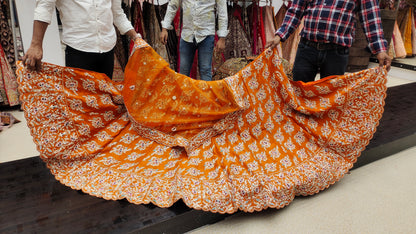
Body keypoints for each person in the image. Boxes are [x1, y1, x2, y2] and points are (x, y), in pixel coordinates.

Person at [266, 0, 392, 82]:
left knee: (330, 99)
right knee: (298, 93)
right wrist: (279, 36)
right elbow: (295, 11)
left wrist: (380, 50)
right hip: (307, 48)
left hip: (336, 53)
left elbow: (370, 18)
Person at [22, 0, 140, 79]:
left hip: (107, 49)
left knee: (104, 104)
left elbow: (117, 13)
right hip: (78, 51)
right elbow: (44, 8)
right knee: (80, 107)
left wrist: (136, 37)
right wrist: (36, 45)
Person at [159, 0, 229, 81]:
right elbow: (172, 5)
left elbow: (222, 12)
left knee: (205, 70)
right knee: (183, 72)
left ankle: (205, 93)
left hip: (206, 35)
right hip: (187, 35)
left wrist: (222, 38)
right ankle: (184, 93)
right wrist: (165, 29)